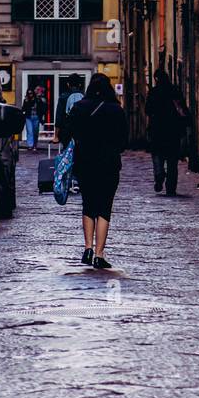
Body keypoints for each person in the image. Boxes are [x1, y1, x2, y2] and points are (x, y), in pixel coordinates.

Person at [67, 73, 128, 269]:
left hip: (84, 163)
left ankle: (87, 248)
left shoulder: (79, 108)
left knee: (88, 205)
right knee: (104, 207)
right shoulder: (116, 110)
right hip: (109, 164)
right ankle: (99, 254)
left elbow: (68, 133)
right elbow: (123, 141)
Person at [145, 68, 188, 197]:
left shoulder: (154, 92)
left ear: (156, 79)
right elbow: (182, 109)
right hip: (173, 130)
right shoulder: (175, 90)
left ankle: (159, 175)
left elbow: (147, 110)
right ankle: (171, 188)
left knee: (157, 155)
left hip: (157, 129)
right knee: (172, 160)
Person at [55, 74, 84, 146]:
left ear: (68, 84)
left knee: (67, 151)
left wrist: (56, 135)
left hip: (66, 129)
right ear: (80, 84)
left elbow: (59, 116)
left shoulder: (63, 96)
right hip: (82, 130)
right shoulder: (85, 96)